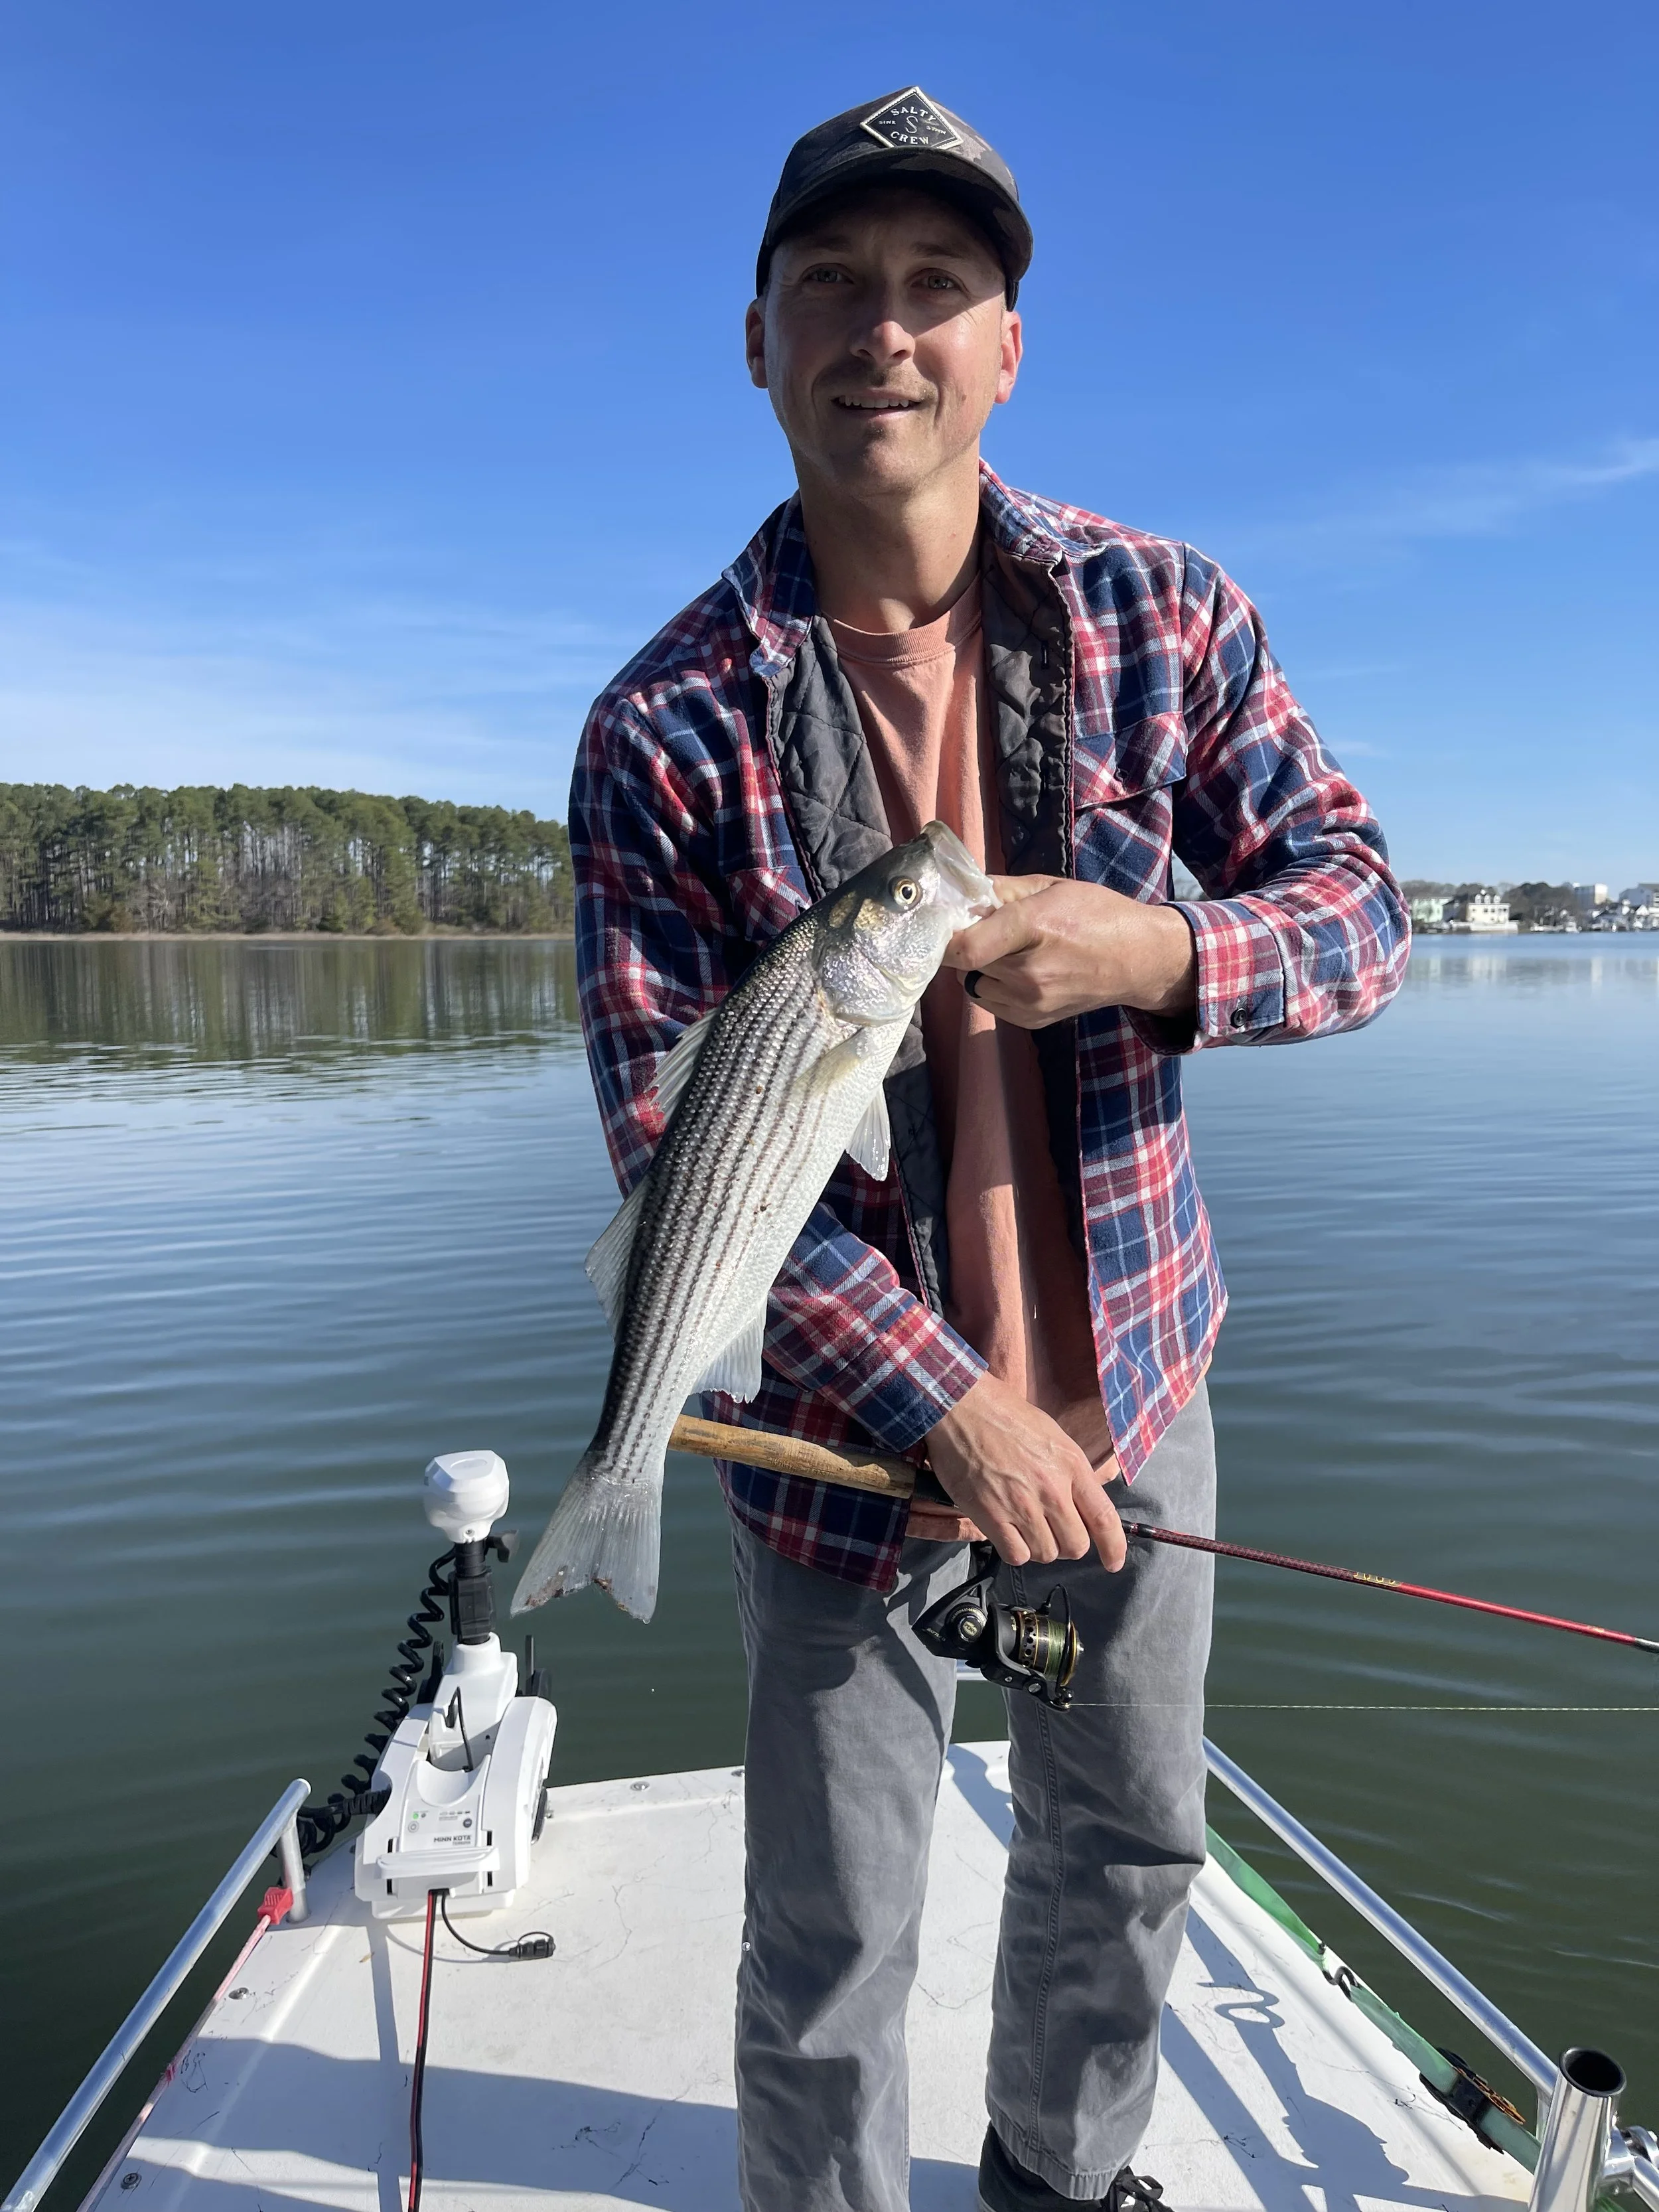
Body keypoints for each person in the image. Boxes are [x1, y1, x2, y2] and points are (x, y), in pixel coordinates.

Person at [568, 85, 1407, 2212]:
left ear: (1005, 345)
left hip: (1136, 1370)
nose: (885, 331)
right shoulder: (659, 729)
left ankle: (1061, 2178)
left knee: (1132, 1842)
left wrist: (1162, 945)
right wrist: (950, 1405)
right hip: (841, 1450)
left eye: (936, 288)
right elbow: (677, 1140)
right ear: (753, 339)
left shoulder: (1165, 613)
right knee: (835, 1931)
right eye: (831, 288)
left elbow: (1361, 913)